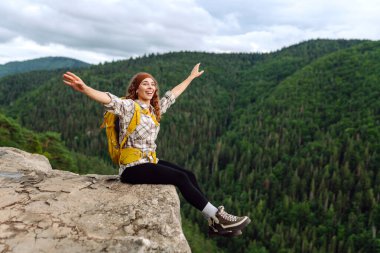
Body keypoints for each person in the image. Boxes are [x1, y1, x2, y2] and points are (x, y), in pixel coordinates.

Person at [62, 63, 251, 237]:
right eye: (146, 84)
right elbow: (109, 99)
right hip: (132, 168)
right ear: (136, 89)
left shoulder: (153, 110)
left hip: (149, 161)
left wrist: (190, 77)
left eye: (153, 84)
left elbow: (172, 95)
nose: (151, 87)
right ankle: (218, 218)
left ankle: (212, 221)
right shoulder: (129, 107)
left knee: (189, 174)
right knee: (181, 179)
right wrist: (85, 88)